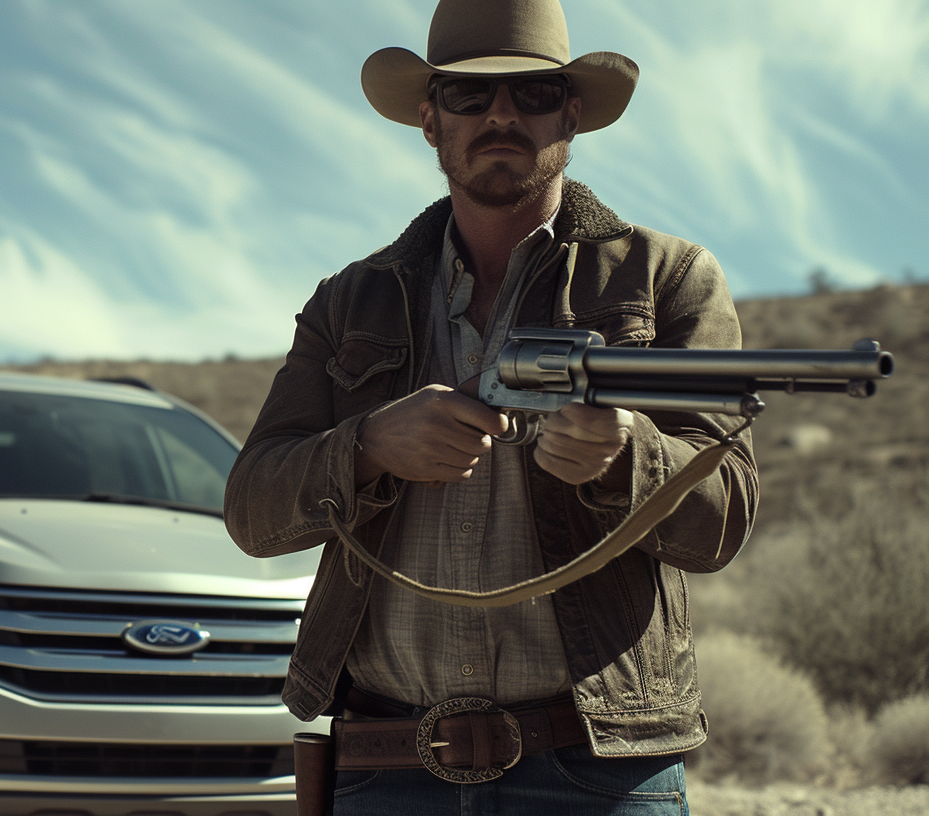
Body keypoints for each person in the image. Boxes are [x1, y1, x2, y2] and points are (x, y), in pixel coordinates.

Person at [222, 0, 758, 812]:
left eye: (531, 93)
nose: (501, 114)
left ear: (570, 114)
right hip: (389, 769)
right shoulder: (348, 301)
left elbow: (727, 520)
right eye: (471, 97)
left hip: (596, 773)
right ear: (431, 120)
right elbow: (252, 511)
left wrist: (627, 461)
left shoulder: (668, 278)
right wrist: (367, 447)